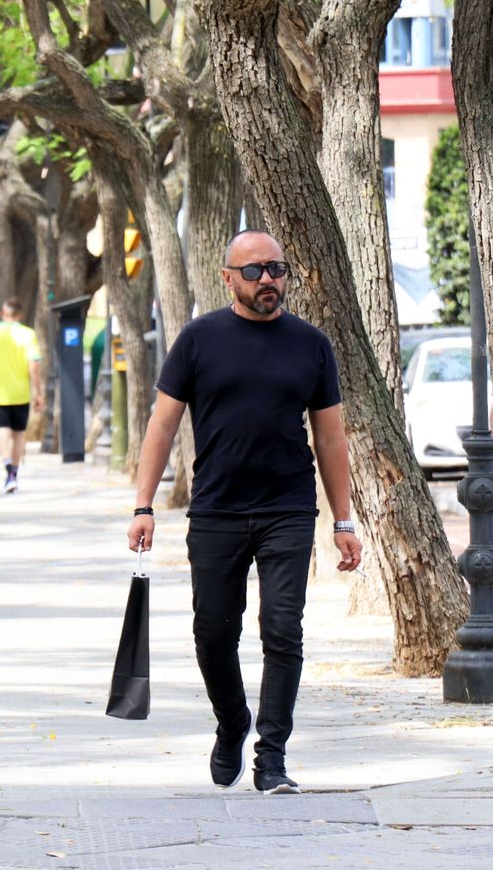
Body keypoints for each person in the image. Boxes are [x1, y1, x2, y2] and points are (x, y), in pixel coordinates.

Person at [125, 230, 363, 796]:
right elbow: (163, 424)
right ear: (228, 278)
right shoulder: (198, 339)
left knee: (282, 630)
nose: (267, 280)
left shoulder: (311, 344)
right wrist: (143, 505)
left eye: (276, 269)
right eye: (253, 271)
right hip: (216, 510)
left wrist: (343, 520)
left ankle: (272, 755)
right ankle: (232, 721)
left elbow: (331, 438)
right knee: (213, 633)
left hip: (288, 508)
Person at [0, 299, 42, 494]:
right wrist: (38, 393)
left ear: (3, 313)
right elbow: (33, 367)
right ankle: (13, 474)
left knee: (2, 431)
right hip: (21, 393)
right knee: (18, 434)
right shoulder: (28, 334)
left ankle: (7, 466)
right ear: (20, 315)